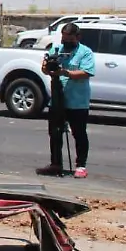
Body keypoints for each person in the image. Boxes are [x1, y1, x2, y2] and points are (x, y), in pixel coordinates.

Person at [37, 22, 95, 179]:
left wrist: (65, 72)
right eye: (64, 38)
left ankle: (81, 166)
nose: (66, 42)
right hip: (57, 99)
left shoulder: (85, 52)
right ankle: (55, 164)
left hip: (77, 101)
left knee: (79, 134)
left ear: (78, 37)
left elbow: (86, 72)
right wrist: (47, 67)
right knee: (55, 133)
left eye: (70, 39)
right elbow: (46, 67)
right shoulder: (56, 49)